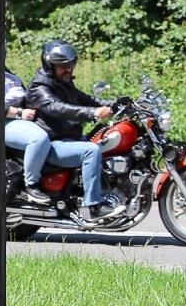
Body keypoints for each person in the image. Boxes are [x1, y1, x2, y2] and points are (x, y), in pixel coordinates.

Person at [28, 39, 125, 222]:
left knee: (104, 140)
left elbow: (85, 99)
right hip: (53, 144)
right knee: (91, 151)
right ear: (49, 65)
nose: (68, 69)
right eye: (62, 65)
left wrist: (115, 104)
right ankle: (93, 207)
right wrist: (93, 113)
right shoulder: (39, 88)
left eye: (70, 64)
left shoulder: (63, 83)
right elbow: (58, 108)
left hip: (70, 138)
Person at [3, 66, 54, 206]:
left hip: (17, 118)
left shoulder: (4, 69)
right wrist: (18, 113)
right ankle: (32, 185)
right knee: (38, 139)